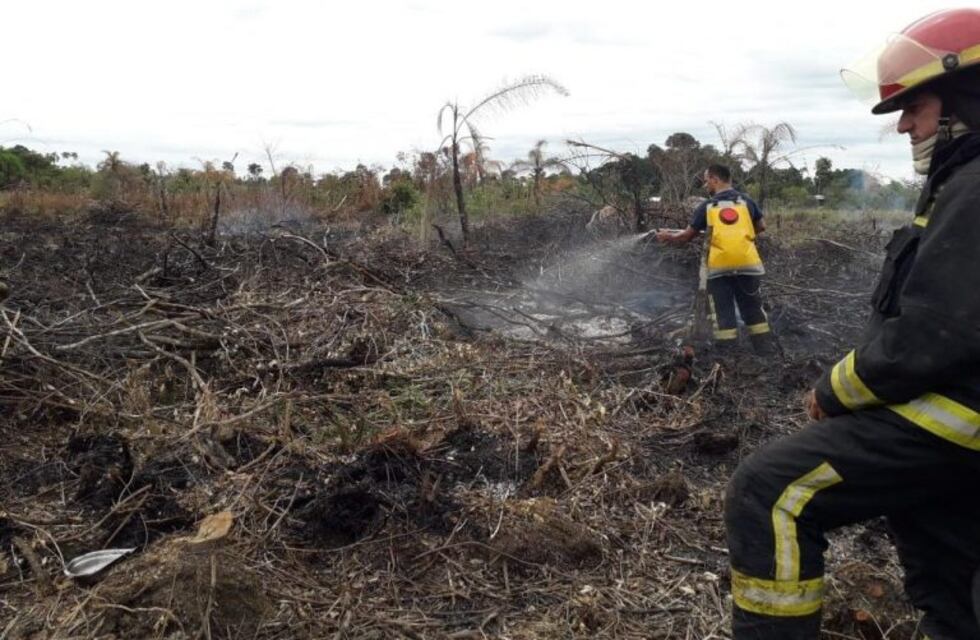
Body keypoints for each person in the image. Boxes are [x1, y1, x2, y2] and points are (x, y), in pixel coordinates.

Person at [724, 8, 980, 639]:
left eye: (914, 107)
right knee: (950, 573)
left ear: (964, 96)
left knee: (770, 490)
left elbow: (935, 332)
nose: (903, 125)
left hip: (957, 418)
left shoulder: (975, 188)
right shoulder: (962, 184)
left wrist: (836, 390)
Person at [656, 164, 775, 355]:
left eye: (706, 180)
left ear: (714, 179)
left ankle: (729, 357)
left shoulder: (708, 206)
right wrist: (739, 235)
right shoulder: (747, 201)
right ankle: (766, 352)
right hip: (748, 266)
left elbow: (686, 236)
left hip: (719, 270)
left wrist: (667, 236)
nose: (705, 185)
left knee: (723, 314)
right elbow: (762, 226)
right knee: (753, 310)